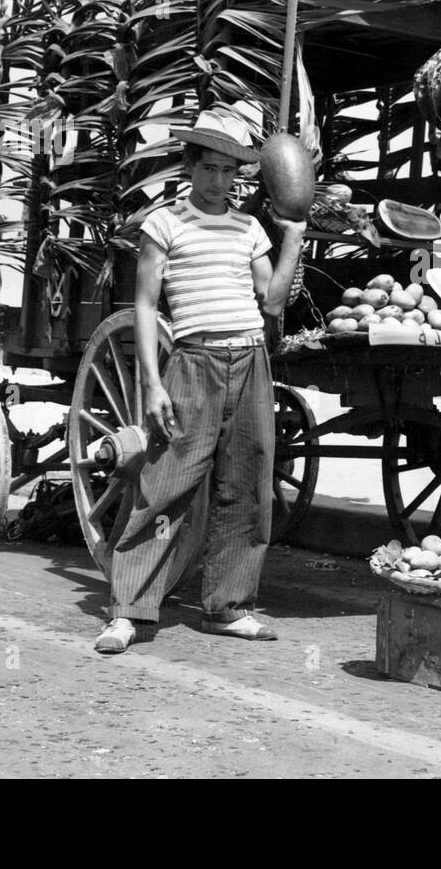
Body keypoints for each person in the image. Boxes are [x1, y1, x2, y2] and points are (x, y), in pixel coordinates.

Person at [95, 104, 306, 653]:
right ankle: (128, 611)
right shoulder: (163, 224)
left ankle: (228, 607)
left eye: (230, 171)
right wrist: (153, 382)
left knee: (250, 487)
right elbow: (144, 305)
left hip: (250, 361)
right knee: (164, 484)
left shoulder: (250, 227)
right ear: (190, 166)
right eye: (209, 168)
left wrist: (294, 237)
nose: (219, 182)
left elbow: (273, 300)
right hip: (193, 363)